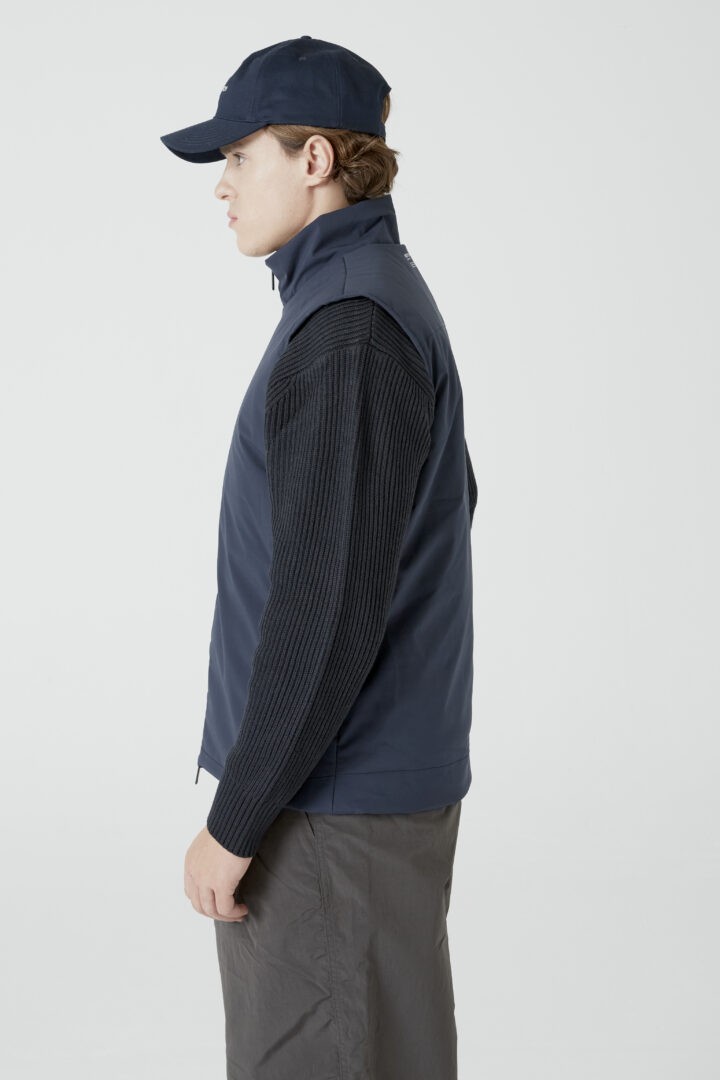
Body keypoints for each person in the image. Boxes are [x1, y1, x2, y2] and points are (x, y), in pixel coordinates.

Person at [160, 34, 478, 1080]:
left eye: (238, 155)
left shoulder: (348, 327)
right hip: (347, 795)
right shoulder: (361, 298)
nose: (222, 185)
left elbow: (329, 611)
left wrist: (235, 818)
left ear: (315, 160)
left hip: (326, 809)